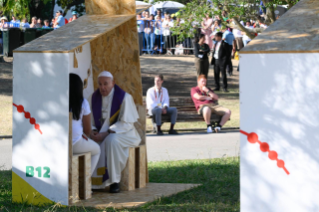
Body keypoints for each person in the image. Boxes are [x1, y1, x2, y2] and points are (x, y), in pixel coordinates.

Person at [89, 71, 141, 193]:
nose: (102, 87)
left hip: (125, 134)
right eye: (100, 84)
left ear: (113, 83)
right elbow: (89, 119)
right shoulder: (93, 98)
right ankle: (93, 182)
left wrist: (106, 133)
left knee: (111, 141)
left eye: (106, 84)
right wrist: (93, 131)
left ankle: (114, 181)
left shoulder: (124, 98)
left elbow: (127, 123)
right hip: (101, 134)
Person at [69, 73, 101, 176]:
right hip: (75, 143)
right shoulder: (83, 103)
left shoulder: (58, 101)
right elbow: (87, 130)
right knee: (96, 150)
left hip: (59, 143)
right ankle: (86, 181)